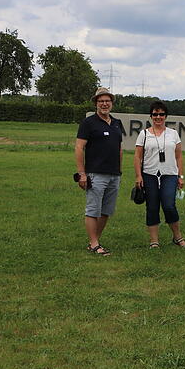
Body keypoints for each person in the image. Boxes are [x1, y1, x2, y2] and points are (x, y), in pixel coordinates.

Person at [74, 87, 123, 256]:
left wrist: (119, 169)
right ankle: (95, 244)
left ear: (112, 103)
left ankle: (94, 241)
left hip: (114, 174)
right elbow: (79, 147)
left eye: (107, 101)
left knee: (106, 211)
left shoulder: (117, 123)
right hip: (95, 174)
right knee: (93, 210)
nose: (104, 104)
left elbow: (119, 148)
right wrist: (82, 174)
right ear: (96, 103)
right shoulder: (88, 123)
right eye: (101, 101)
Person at [134, 101, 185, 248]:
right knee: (152, 207)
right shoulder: (144, 134)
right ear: (151, 116)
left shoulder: (173, 134)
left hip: (169, 174)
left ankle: (177, 237)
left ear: (165, 116)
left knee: (169, 205)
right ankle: (154, 241)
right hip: (149, 175)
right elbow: (137, 157)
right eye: (155, 114)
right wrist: (138, 176)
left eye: (161, 114)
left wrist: (181, 176)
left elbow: (179, 156)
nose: (158, 117)